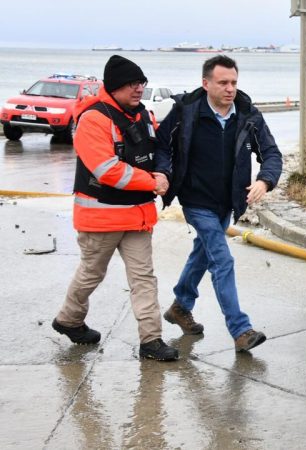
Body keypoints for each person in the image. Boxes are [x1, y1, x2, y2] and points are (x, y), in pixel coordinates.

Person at [53, 55, 179, 361]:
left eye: (141, 83)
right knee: (91, 274)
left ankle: (151, 340)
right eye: (132, 84)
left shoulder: (143, 115)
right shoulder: (93, 119)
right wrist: (152, 181)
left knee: (144, 278)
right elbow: (108, 170)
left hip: (137, 216)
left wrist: (163, 173)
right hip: (101, 218)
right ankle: (69, 319)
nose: (139, 89)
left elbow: (156, 151)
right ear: (114, 86)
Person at [154, 55, 282, 353]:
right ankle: (240, 329)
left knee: (203, 252)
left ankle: (180, 306)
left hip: (228, 202)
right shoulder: (185, 112)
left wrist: (264, 180)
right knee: (222, 259)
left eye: (234, 82)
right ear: (206, 83)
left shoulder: (248, 115)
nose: (230, 88)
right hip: (196, 200)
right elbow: (162, 145)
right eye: (223, 82)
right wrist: (162, 173)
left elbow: (272, 153)